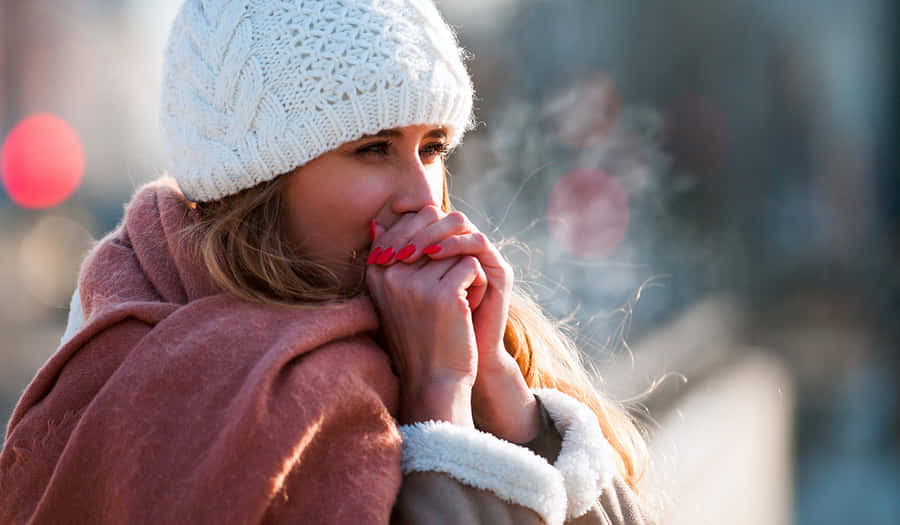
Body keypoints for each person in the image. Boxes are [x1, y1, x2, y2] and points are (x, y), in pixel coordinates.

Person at [0, 1, 657, 523]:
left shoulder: (459, 328)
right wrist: (439, 404)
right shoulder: (152, 377)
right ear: (258, 186)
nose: (422, 197)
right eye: (373, 148)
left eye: (432, 147)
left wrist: (504, 392)